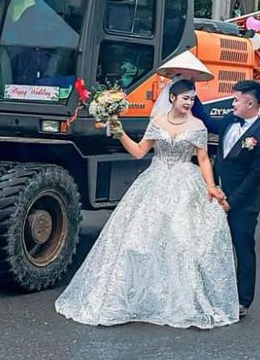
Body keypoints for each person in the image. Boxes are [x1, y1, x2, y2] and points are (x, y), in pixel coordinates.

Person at [55, 78, 239, 329]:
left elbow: (204, 159)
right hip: (155, 180)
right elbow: (140, 152)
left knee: (181, 241)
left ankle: (179, 298)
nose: (189, 102)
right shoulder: (157, 122)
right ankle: (132, 294)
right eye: (185, 97)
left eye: (193, 99)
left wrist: (210, 186)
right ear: (172, 98)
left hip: (185, 182)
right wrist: (119, 132)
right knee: (139, 239)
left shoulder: (198, 126)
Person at [192, 80, 260, 319]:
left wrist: (231, 202)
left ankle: (243, 300)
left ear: (250, 103)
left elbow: (254, 177)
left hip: (243, 204)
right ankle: (213, 295)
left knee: (243, 248)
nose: (232, 103)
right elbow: (208, 122)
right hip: (217, 195)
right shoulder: (229, 120)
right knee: (212, 246)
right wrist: (190, 90)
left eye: (236, 99)